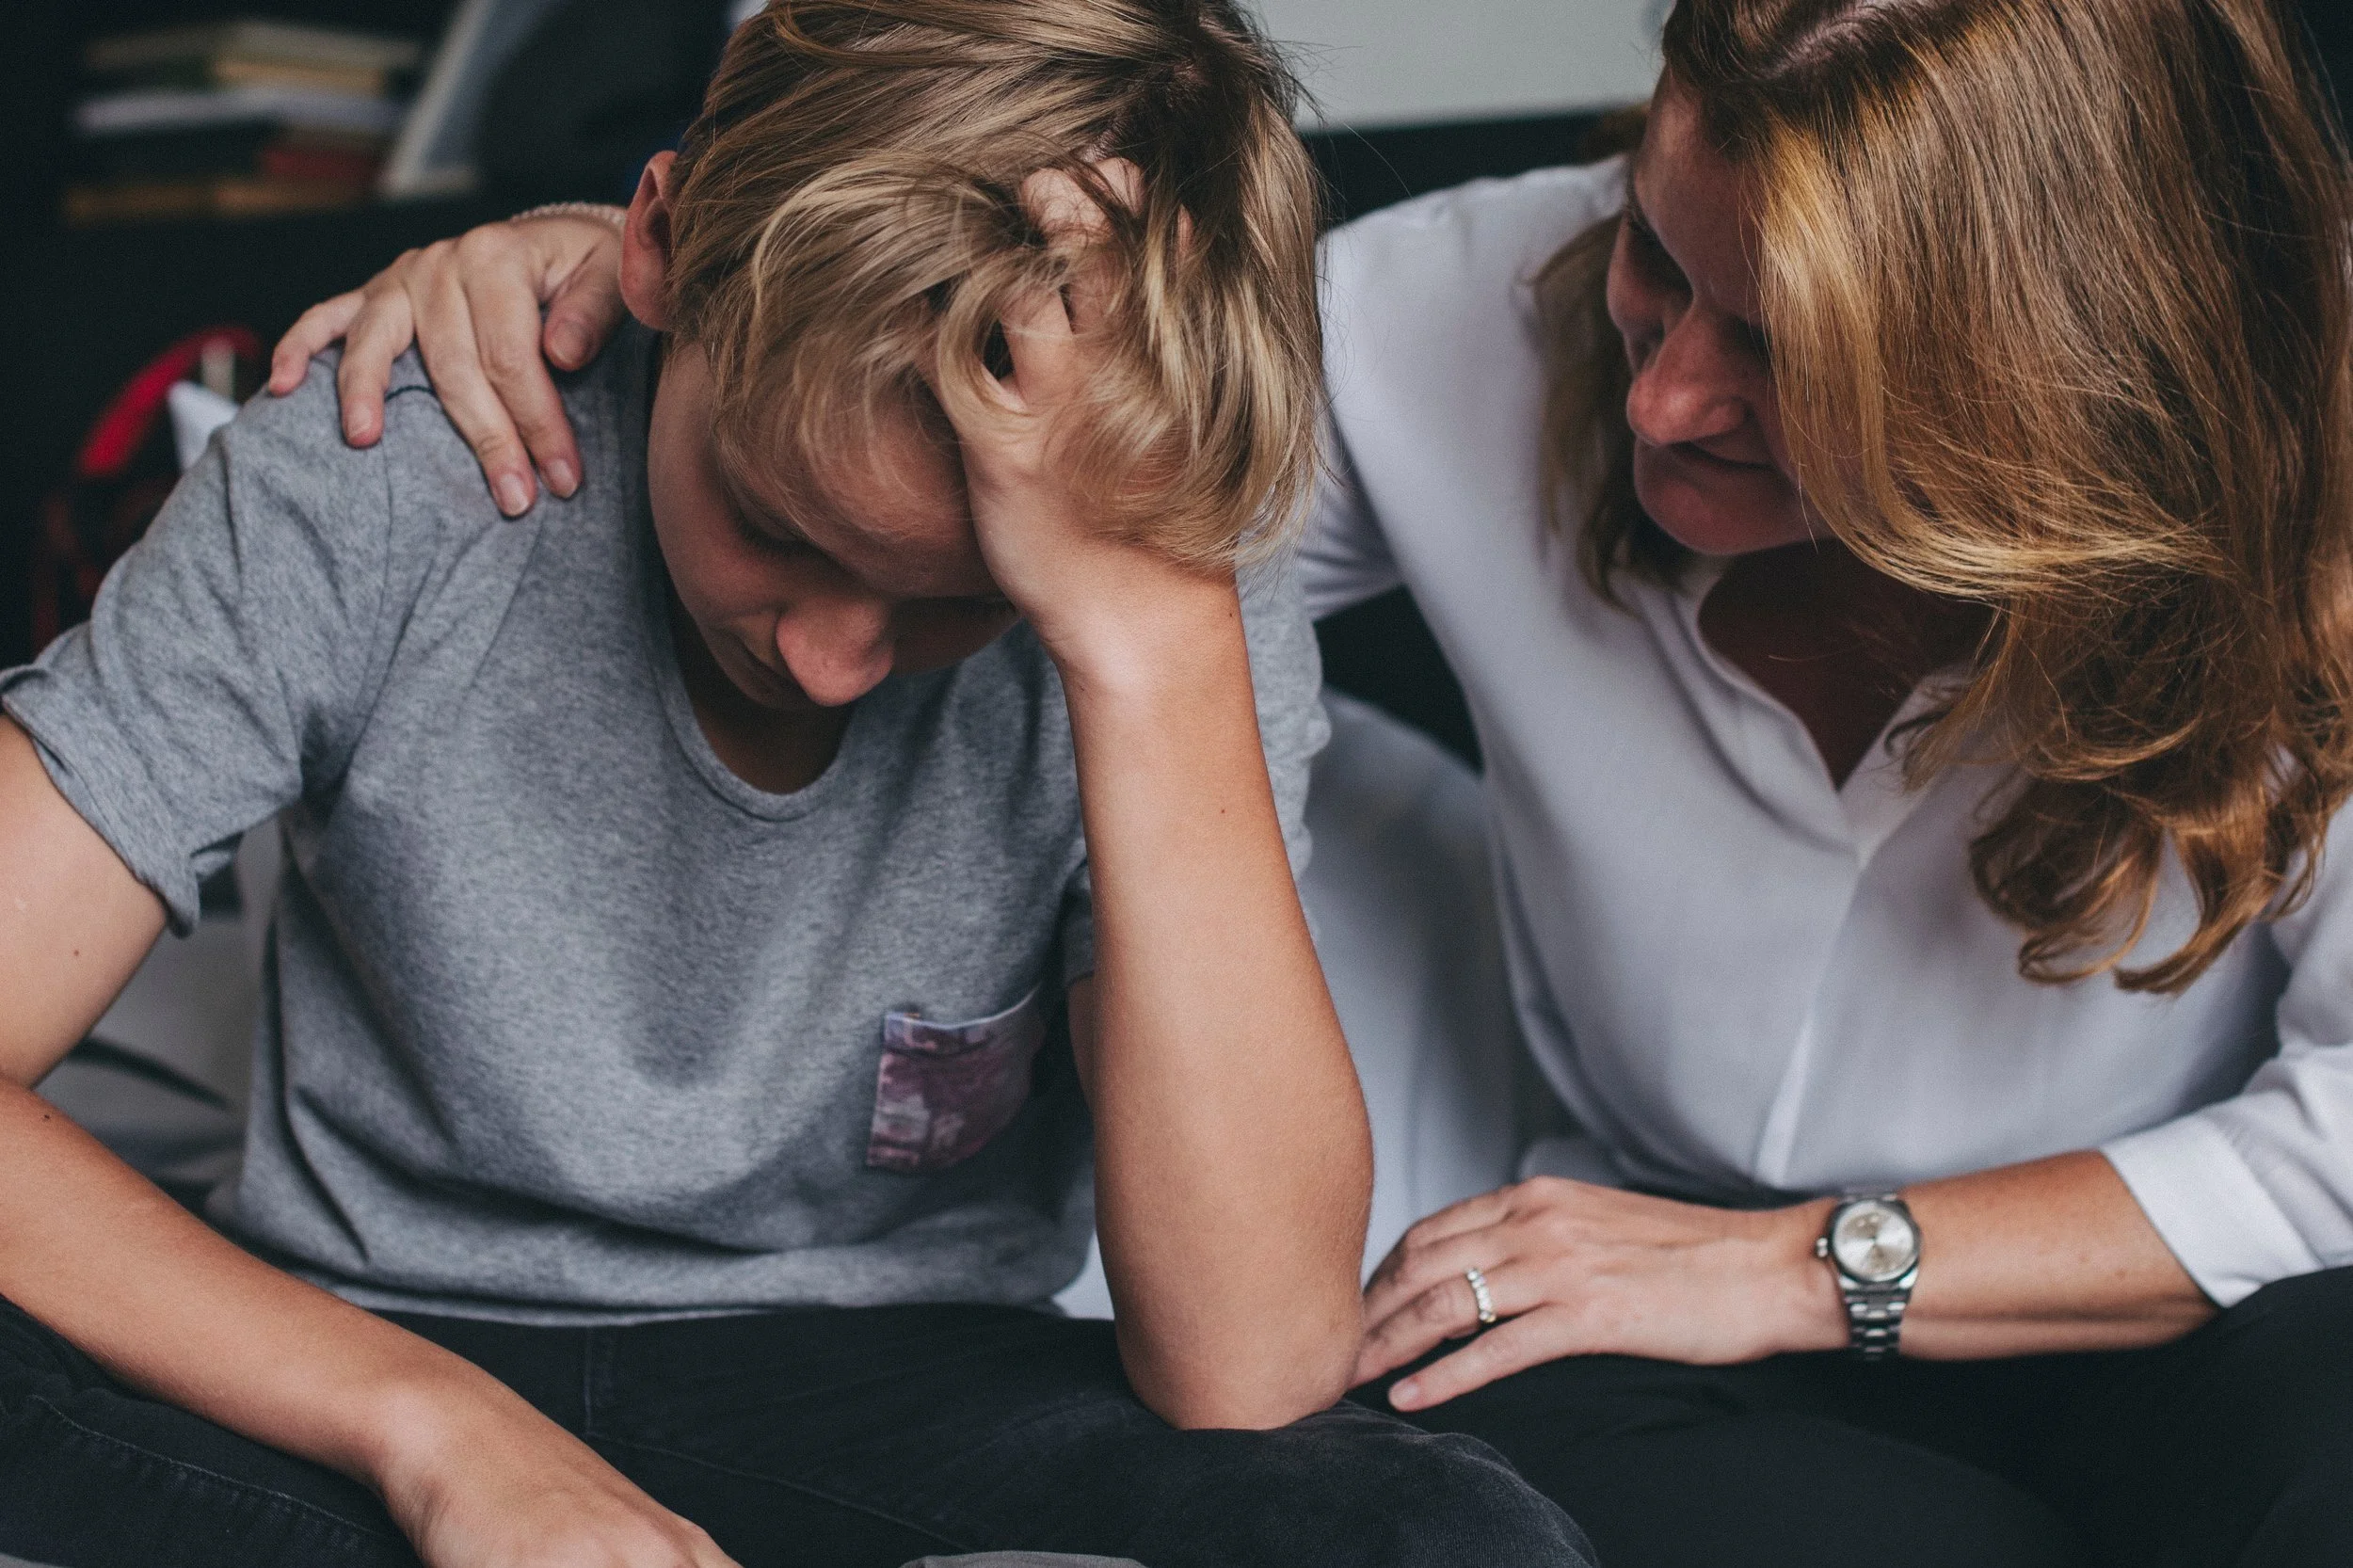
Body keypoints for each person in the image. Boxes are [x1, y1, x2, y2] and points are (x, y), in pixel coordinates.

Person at [316, 0, 2353, 1564]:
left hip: (2183, 1310)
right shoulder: (1462, 316)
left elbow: (2334, 1140)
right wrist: (618, 270)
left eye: (1786, 353)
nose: (1657, 391)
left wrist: (1791, 1263)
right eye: (1656, 257)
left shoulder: (2309, 521)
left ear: (2058, 377)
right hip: (1621, 1313)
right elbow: (1000, 422)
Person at [0, 5, 1593, 1567]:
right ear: (659, 253)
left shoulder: (1160, 600)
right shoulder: (394, 470)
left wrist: (1149, 652)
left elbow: (1250, 1369)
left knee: (1440, 1533)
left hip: (900, 1381)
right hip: (370, 1344)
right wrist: (441, 1435)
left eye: (955, 600)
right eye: (777, 523)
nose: (835, 662)